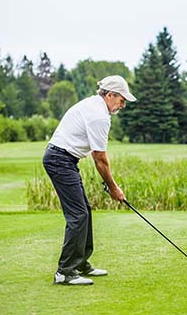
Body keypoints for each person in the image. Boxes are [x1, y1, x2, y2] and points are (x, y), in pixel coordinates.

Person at [43, 75, 136, 285]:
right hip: (59, 159)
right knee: (78, 215)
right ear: (110, 95)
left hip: (64, 159)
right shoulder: (99, 116)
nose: (123, 105)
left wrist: (111, 185)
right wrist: (113, 188)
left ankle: (80, 263)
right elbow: (99, 157)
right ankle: (65, 271)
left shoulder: (94, 105)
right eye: (122, 100)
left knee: (84, 211)